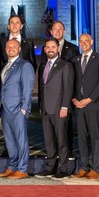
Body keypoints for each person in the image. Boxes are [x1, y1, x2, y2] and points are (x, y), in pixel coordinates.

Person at [36, 38, 74, 180]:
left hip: (59, 109)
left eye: (53, 46)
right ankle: (50, 167)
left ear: (58, 48)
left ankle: (63, 169)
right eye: (48, 47)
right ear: (45, 49)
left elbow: (68, 88)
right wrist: (41, 106)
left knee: (62, 140)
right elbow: (42, 88)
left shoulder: (65, 65)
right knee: (49, 140)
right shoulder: (43, 66)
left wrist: (65, 106)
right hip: (46, 109)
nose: (50, 49)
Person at [0, 39, 34, 179]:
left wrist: (24, 108)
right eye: (8, 47)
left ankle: (23, 168)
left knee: (21, 140)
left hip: (18, 109)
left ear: (19, 49)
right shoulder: (6, 65)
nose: (11, 48)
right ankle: (12, 166)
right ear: (5, 49)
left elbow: (28, 88)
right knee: (10, 140)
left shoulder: (25, 65)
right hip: (5, 109)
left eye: (14, 46)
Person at [40, 21, 79, 156]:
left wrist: (68, 102)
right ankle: (52, 163)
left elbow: (74, 77)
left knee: (65, 133)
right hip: (49, 102)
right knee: (50, 136)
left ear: (64, 31)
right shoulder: (47, 53)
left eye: (60, 29)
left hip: (64, 100)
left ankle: (66, 161)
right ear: (51, 31)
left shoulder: (73, 49)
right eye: (55, 29)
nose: (57, 31)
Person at [71, 34, 99, 179]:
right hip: (79, 106)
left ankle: (96, 168)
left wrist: (89, 99)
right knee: (81, 137)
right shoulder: (75, 60)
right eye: (81, 41)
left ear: (92, 42)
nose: (83, 44)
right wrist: (74, 99)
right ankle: (83, 167)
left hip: (93, 105)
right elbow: (73, 82)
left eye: (86, 41)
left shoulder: (97, 59)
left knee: (95, 137)